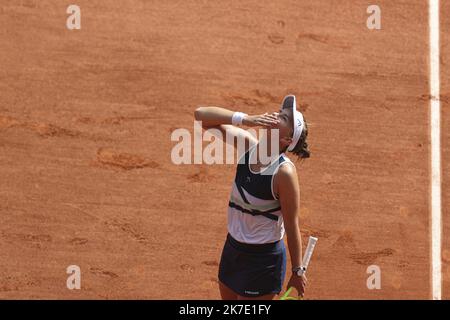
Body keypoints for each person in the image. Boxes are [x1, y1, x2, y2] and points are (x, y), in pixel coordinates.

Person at [194, 94, 310, 300]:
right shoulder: (249, 146)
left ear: (286, 139)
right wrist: (245, 119)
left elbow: (292, 226)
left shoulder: (283, 173)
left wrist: (297, 271)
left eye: (283, 118)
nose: (276, 114)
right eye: (280, 112)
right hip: (232, 250)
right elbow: (201, 115)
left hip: (263, 261)